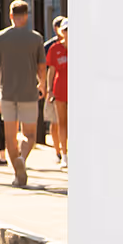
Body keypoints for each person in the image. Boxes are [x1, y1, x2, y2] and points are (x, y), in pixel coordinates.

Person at [0, 0, 46, 186]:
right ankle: (22, 159)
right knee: (29, 135)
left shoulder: (0, 38)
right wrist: (42, 84)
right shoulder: (36, 38)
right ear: (26, 16)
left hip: (7, 94)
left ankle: (17, 175)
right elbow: (42, 67)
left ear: (11, 16)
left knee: (10, 137)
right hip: (29, 93)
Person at [41, 16, 68, 165]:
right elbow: (51, 70)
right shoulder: (54, 48)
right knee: (60, 122)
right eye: (66, 30)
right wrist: (49, 89)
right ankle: (63, 154)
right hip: (60, 89)